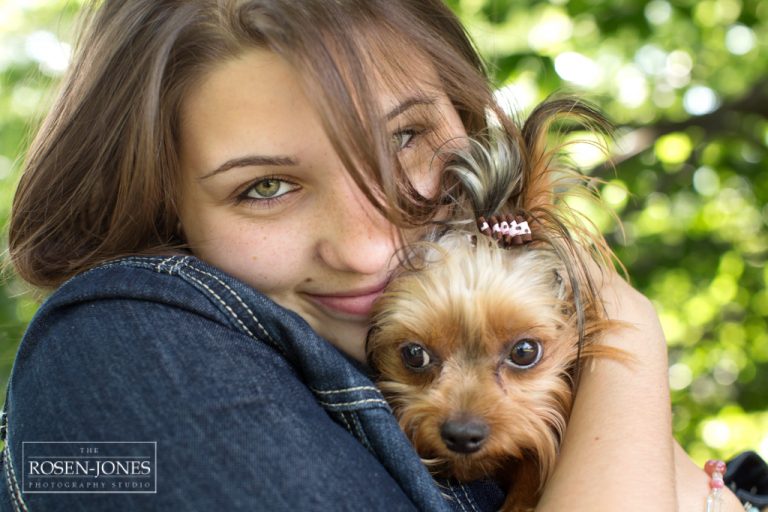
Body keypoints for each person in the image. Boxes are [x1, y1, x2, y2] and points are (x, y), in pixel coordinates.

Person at [0, 0, 749, 510]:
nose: (368, 249)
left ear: (470, 116)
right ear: (160, 207)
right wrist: (630, 339)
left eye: (403, 140)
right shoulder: (117, 347)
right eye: (265, 185)